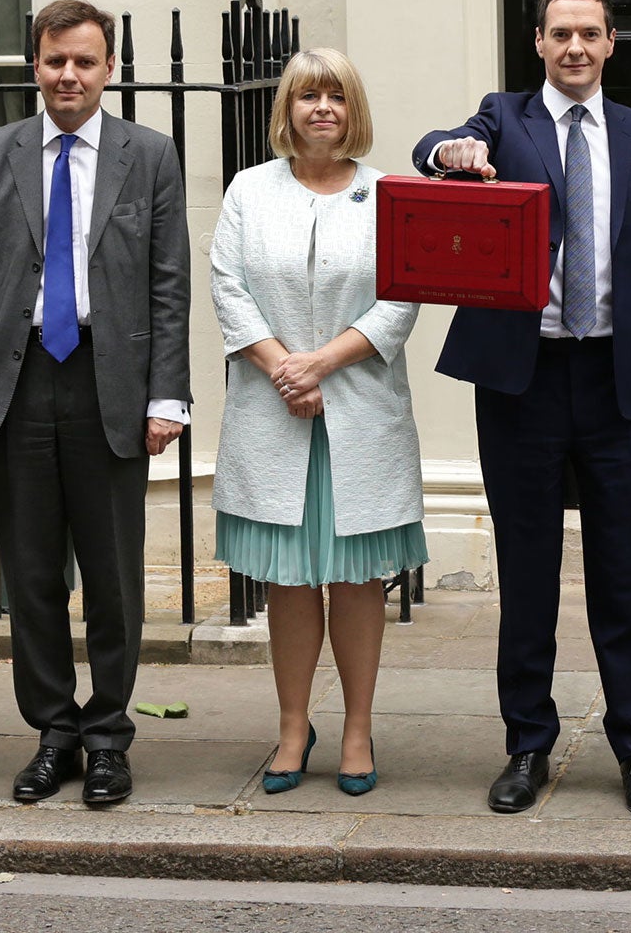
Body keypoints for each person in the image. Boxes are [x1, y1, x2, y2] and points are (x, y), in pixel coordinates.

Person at [414, 0, 631, 819]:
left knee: (622, 578)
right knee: (528, 574)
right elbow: (439, 143)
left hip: (614, 383)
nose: (574, 47)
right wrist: (447, 154)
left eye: (590, 34)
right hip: (523, 384)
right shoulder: (505, 117)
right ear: (538, 42)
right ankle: (526, 744)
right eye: (559, 33)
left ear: (612, 45)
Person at [0, 0, 191, 807]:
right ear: (35, 64)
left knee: (114, 577)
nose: (68, 75)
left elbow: (168, 288)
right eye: (55, 60)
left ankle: (109, 734)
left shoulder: (148, 155)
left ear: (109, 69)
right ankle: (53, 729)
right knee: (30, 573)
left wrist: (168, 397)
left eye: (84, 62)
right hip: (16, 384)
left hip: (107, 383)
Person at [209, 49, 425, 797]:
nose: (322, 107)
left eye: (336, 95)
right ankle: (293, 725)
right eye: (307, 96)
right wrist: (284, 370)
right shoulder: (248, 190)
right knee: (290, 582)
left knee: (358, 578)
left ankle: (359, 728)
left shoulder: (390, 191)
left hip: (358, 411)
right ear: (288, 110)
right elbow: (228, 287)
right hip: (275, 411)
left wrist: (322, 364)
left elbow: (402, 296)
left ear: (353, 109)